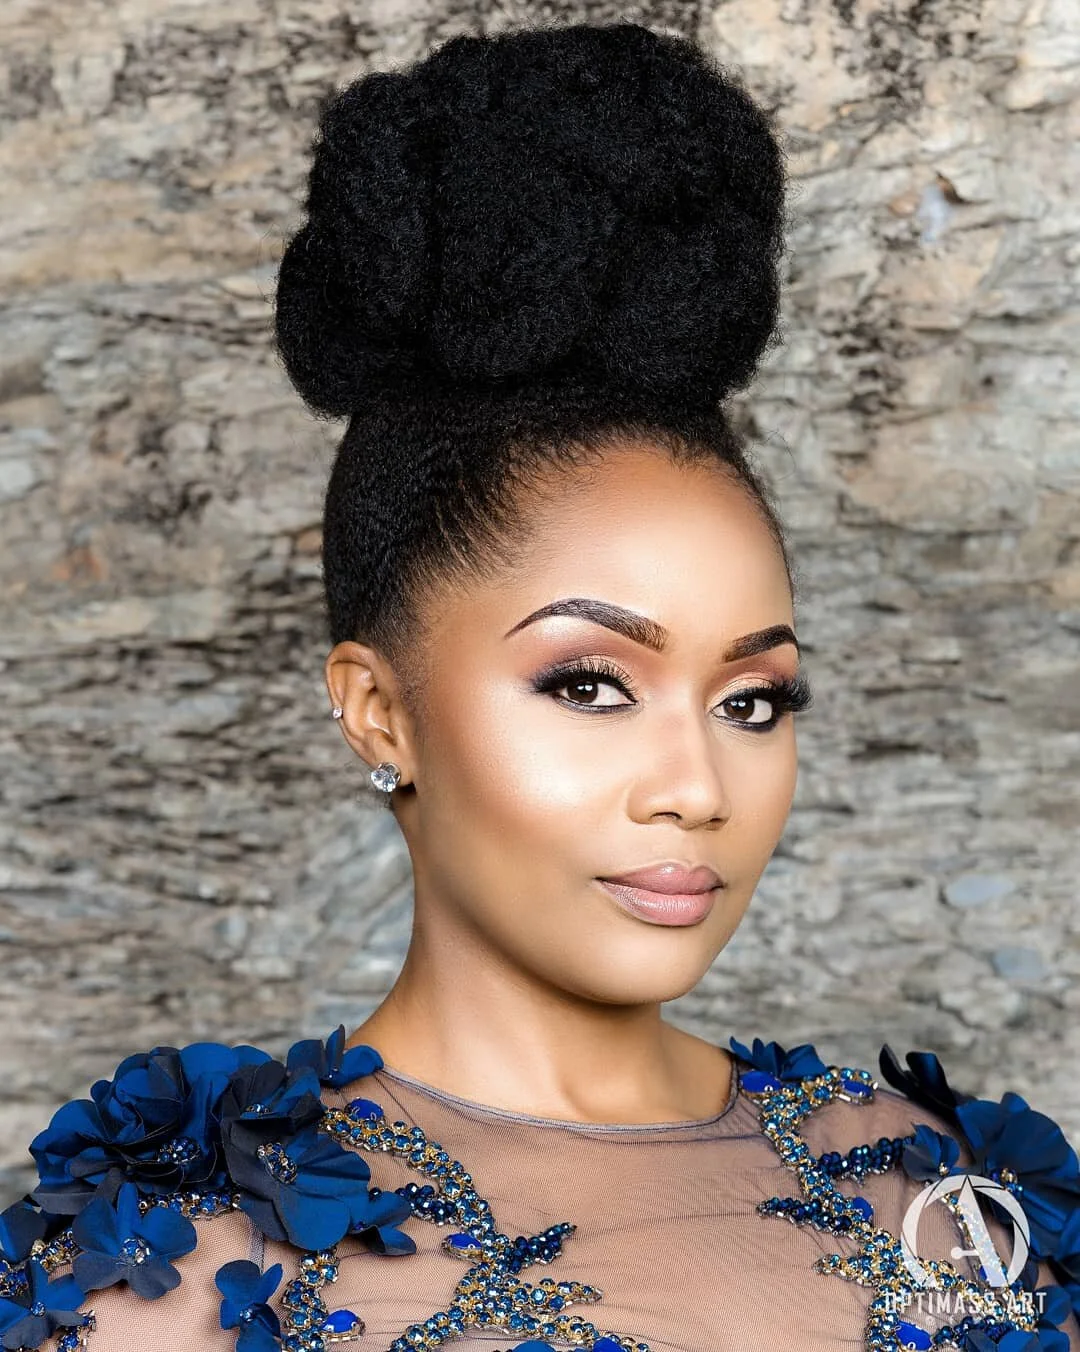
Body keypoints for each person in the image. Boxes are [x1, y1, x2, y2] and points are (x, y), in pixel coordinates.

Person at [3, 20, 1078, 1352]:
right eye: (589, 685)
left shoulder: (952, 1200)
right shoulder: (175, 1271)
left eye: (754, 701)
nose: (697, 789)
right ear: (375, 712)